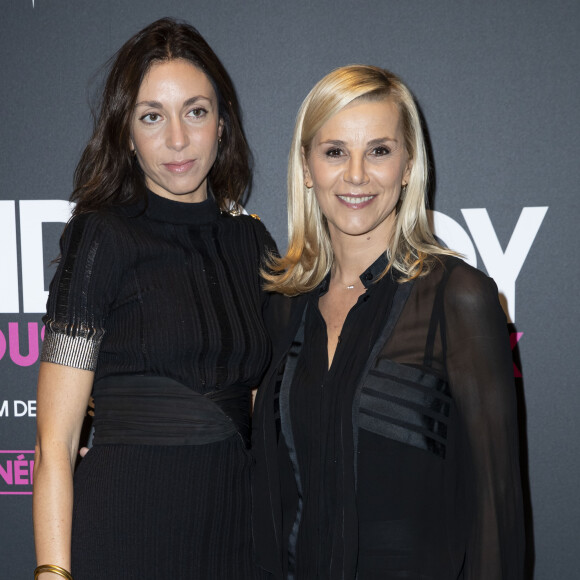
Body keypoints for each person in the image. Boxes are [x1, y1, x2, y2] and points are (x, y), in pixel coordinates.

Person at [252, 65, 525, 579]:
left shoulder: (457, 298)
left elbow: (497, 508)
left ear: (408, 166)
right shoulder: (283, 306)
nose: (356, 175)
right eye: (335, 151)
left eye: (379, 150)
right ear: (307, 167)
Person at [33, 18, 273, 580]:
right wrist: (52, 573)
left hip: (238, 531)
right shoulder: (102, 236)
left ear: (223, 123)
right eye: (151, 116)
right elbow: (56, 443)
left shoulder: (253, 243)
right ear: (126, 132)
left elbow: (265, 412)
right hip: (125, 526)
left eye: (195, 111)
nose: (177, 140)